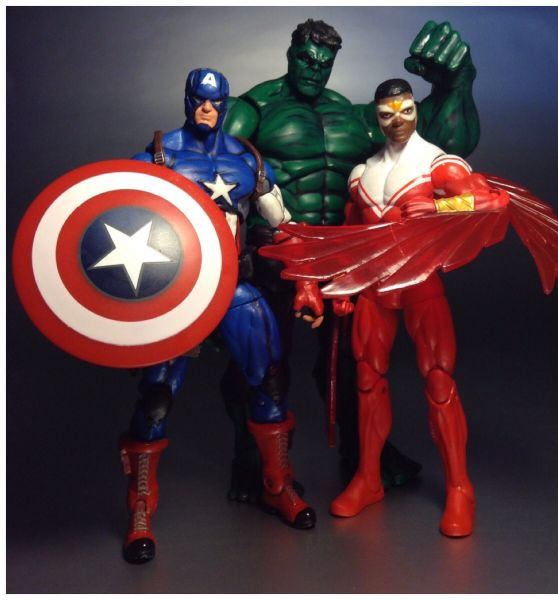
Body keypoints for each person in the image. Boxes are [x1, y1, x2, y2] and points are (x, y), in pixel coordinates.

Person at [222, 19, 481, 498]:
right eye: (306, 59)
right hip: (276, 251)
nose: (313, 70)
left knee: (349, 363)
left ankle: (364, 457)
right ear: (290, 53)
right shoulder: (253, 108)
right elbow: (214, 173)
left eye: (324, 63)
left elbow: (443, 144)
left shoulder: (351, 115)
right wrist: (218, 267)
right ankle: (252, 459)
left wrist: (457, 84)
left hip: (342, 258)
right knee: (263, 361)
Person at [263, 78, 512, 537]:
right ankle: (369, 478)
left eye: (405, 110)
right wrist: (341, 287)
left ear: (415, 109)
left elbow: (492, 204)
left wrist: (440, 209)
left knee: (439, 380)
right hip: (376, 289)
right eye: (387, 114)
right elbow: (353, 236)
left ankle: (460, 487)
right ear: (376, 118)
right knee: (366, 380)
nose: (398, 121)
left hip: (420, 284)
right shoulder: (361, 174)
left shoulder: (437, 163)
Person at [118, 68, 315, 565]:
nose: (206, 109)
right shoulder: (158, 157)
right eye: (199, 100)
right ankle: (140, 508)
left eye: (215, 101)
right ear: (187, 100)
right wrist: (124, 306)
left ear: (225, 104)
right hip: (177, 294)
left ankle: (278, 485)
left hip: (232, 288)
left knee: (270, 383)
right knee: (157, 398)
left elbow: (285, 225)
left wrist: (308, 281)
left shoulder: (247, 159)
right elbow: (116, 220)